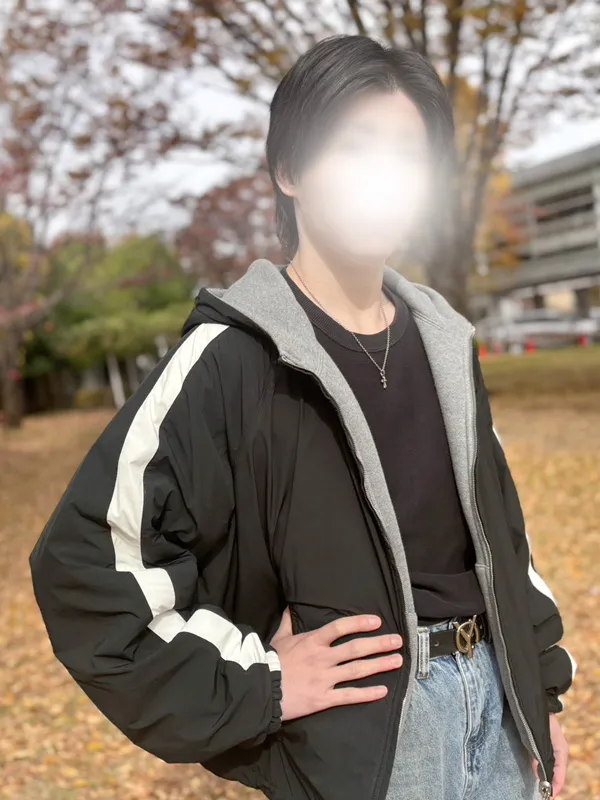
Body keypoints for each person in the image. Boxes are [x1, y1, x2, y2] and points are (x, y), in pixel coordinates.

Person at [29, 34, 575, 800]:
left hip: (500, 714)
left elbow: (504, 537)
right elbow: (86, 566)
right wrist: (261, 682)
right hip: (374, 738)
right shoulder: (231, 356)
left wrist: (535, 687)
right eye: (354, 147)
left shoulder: (447, 343)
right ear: (289, 171)